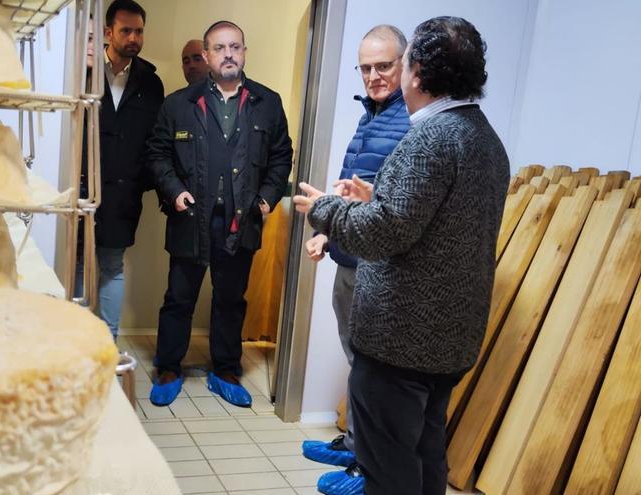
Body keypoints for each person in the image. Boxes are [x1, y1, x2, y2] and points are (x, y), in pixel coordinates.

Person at [293, 16, 509, 495]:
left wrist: (324, 209)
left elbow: (382, 235)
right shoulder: (486, 140)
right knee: (426, 454)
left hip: (401, 341)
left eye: (402, 61)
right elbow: (437, 223)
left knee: (388, 470)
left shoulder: (428, 139)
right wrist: (378, 200)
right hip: (448, 339)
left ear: (418, 73)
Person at [146, 20, 292, 407]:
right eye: (219, 48)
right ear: (207, 55)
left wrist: (265, 200)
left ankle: (225, 369)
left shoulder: (268, 102)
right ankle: (168, 368)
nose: (228, 54)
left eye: (235, 47)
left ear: (244, 52)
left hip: (241, 220)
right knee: (179, 297)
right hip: (191, 218)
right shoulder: (180, 104)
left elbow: (281, 158)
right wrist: (174, 192)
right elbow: (157, 154)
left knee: (231, 298)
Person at [300, 24, 410, 480]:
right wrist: (327, 232)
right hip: (350, 259)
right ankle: (354, 446)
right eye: (365, 68)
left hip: (380, 270)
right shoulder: (371, 115)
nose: (374, 77)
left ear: (406, 64)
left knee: (376, 374)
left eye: (384, 66)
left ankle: (370, 470)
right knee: (357, 362)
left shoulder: (413, 124)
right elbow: (350, 187)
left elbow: (397, 209)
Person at [92, 0, 164, 340]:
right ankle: (75, 343)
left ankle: (107, 345)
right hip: (81, 187)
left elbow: (154, 140)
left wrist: (141, 181)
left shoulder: (151, 83)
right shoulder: (84, 70)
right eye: (126, 30)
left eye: (139, 31)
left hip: (123, 193)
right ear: (108, 32)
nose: (134, 37)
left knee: (111, 266)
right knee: (77, 263)